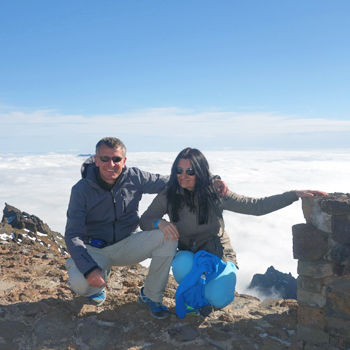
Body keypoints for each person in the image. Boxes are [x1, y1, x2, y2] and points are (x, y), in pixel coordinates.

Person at [139, 147, 327, 317]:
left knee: (220, 299)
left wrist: (293, 195)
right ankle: (195, 299)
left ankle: (200, 296)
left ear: (201, 172)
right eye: (178, 170)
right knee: (180, 264)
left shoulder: (215, 193)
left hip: (218, 254)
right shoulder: (170, 194)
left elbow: (257, 206)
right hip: (189, 254)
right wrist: (160, 223)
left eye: (190, 171)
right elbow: (145, 219)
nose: (183, 175)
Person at [65, 138, 227, 320]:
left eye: (117, 159)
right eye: (105, 158)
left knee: (168, 235)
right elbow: (73, 235)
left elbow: (175, 180)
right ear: (96, 159)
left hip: (128, 244)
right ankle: (96, 289)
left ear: (124, 161)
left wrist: (211, 179)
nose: (111, 164)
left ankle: (151, 296)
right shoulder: (81, 190)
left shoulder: (135, 177)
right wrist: (89, 269)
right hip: (95, 249)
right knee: (80, 283)